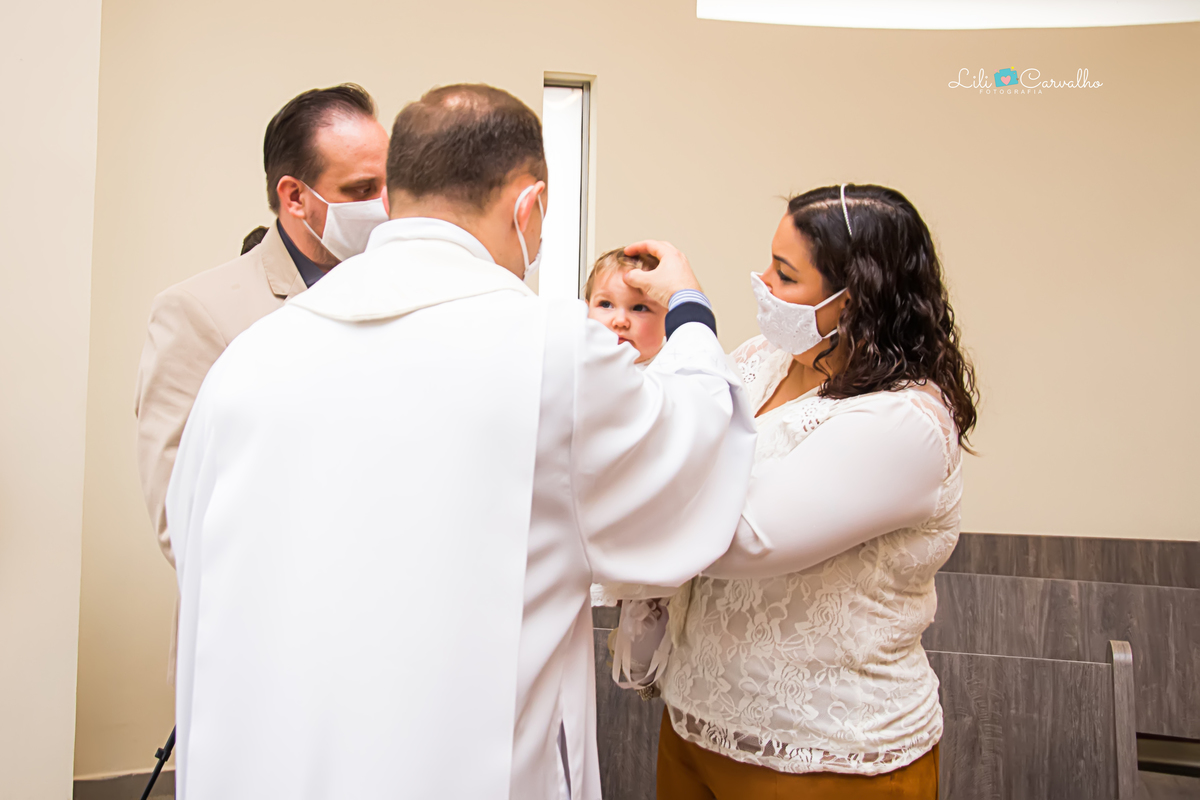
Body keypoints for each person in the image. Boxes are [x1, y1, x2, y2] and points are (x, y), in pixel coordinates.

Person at [165, 83, 757, 800]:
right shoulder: (553, 355)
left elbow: (196, 551)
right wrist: (690, 312)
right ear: (528, 206)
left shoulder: (250, 359)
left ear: (394, 197)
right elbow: (686, 464)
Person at [618, 184, 977, 800]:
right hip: (695, 719)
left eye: (784, 275)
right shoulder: (769, 356)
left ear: (855, 299)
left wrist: (689, 311)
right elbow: (681, 428)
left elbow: (741, 537)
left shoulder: (905, 424)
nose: (761, 282)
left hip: (825, 753)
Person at [135, 83, 388, 568]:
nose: (384, 207)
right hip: (261, 620)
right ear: (295, 197)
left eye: (387, 186)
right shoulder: (194, 311)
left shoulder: (399, 294)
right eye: (361, 190)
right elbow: (182, 518)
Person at [585, 248, 666, 364]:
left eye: (639, 308)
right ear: (585, 312)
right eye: (606, 305)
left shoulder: (676, 368)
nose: (620, 321)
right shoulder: (576, 365)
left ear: (668, 319)